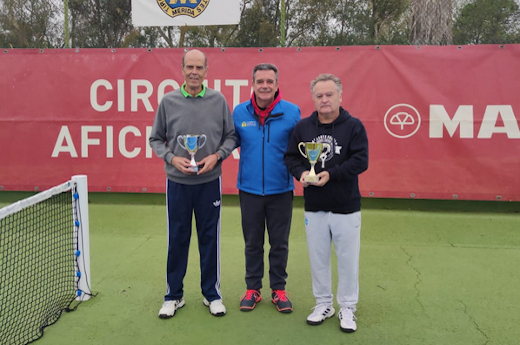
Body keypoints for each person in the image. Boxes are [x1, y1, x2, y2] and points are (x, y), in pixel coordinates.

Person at [149, 49, 236, 319]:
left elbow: (231, 137)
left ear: (206, 71)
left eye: (199, 67)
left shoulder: (218, 100)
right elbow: (155, 140)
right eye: (190, 67)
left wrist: (216, 155)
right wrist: (173, 158)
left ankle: (212, 295)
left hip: (210, 181)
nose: (194, 72)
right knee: (178, 238)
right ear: (183, 69)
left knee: (209, 239)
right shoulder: (168, 101)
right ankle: (174, 295)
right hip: (177, 183)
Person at [284, 73, 369, 332]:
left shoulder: (354, 126)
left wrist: (331, 173)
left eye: (329, 94)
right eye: (319, 95)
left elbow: (360, 161)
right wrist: (301, 174)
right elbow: (291, 158)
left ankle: (347, 307)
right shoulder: (303, 128)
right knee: (318, 258)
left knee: (347, 259)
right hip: (315, 206)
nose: (324, 100)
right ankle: (323, 303)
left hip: (346, 206)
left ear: (340, 96)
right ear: (313, 98)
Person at [233, 63, 301, 313]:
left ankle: (279, 289)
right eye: (260, 81)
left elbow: (300, 150)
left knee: (279, 243)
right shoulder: (239, 112)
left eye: (269, 81)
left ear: (276, 84)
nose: (264, 86)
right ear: (252, 84)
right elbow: (230, 142)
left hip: (281, 190)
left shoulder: (292, 112)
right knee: (252, 243)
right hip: (249, 190)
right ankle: (253, 289)